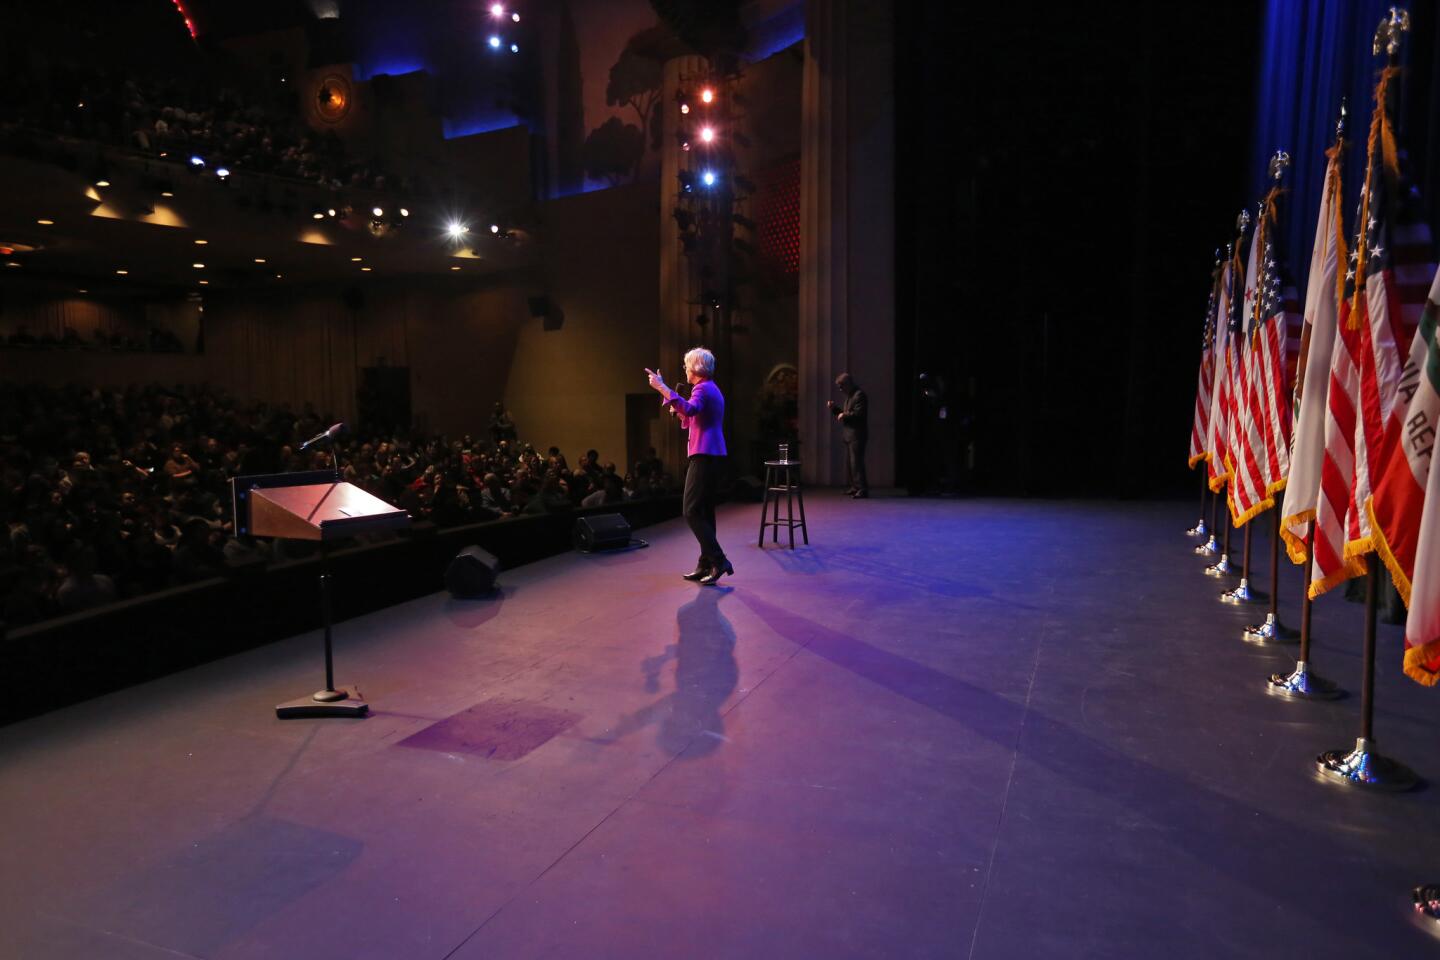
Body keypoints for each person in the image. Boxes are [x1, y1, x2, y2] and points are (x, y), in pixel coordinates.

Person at [647, 348, 732, 585]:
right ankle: (706, 563)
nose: (684, 369)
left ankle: (719, 559)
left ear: (695, 368)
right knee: (704, 510)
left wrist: (661, 387)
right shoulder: (709, 388)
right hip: (712, 454)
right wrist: (680, 410)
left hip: (704, 455)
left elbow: (692, 409)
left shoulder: (703, 388)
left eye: (686, 365)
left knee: (691, 510)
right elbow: (694, 415)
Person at [828, 372, 868, 498]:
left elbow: (858, 415)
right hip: (849, 435)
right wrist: (834, 409)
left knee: (856, 463)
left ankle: (862, 488)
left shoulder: (859, 395)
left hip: (857, 435)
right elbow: (845, 415)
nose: (840, 389)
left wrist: (844, 415)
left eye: (841, 386)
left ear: (848, 384)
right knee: (850, 463)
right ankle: (855, 487)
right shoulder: (850, 396)